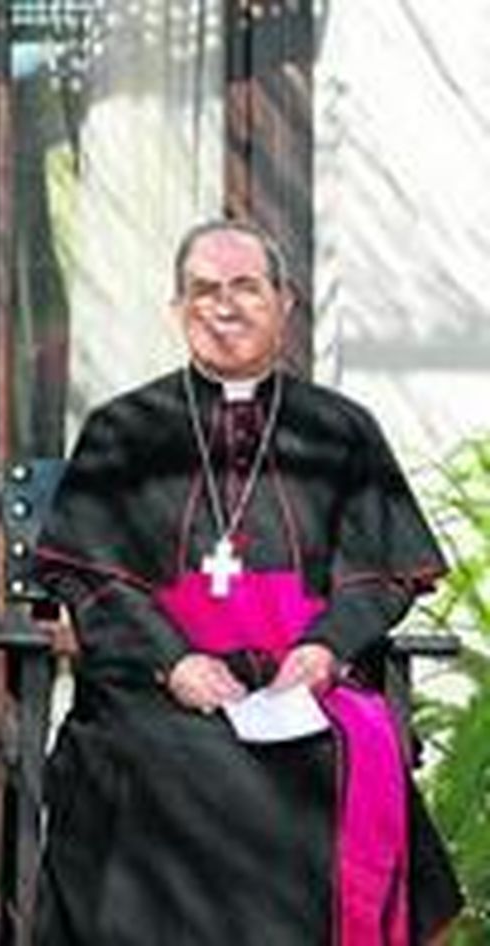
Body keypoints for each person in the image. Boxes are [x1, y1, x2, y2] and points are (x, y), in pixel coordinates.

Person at [31, 219, 463, 944]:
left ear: (284, 303)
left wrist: (322, 652)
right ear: (177, 309)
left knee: (318, 758)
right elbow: (92, 580)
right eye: (203, 290)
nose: (222, 306)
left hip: (300, 684)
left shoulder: (339, 430)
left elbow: (381, 575)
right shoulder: (122, 430)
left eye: (244, 288)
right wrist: (174, 661)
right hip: (155, 690)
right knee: (160, 762)